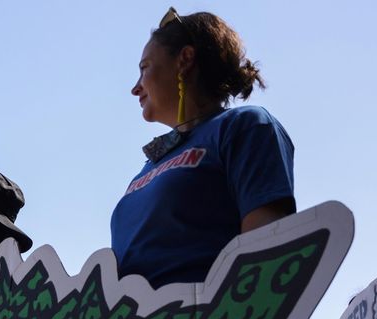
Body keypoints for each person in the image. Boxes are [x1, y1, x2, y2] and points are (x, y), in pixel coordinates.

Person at [111, 7, 296, 287]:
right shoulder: (147, 167)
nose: (135, 88)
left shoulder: (244, 126)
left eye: (144, 68)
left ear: (184, 59)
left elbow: (266, 257)